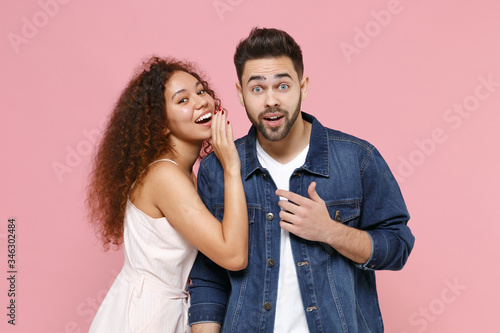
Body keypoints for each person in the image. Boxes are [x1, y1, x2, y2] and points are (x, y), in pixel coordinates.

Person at [188, 28, 415, 333]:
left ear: (303, 86)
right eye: (257, 89)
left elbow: (398, 246)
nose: (271, 101)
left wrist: (331, 231)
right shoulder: (218, 169)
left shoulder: (357, 159)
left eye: (282, 85)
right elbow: (207, 276)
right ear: (240, 93)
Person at [87, 56, 248, 333]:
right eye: (182, 100)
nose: (200, 101)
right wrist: (232, 166)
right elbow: (233, 256)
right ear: (161, 123)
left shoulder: (182, 172)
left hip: (162, 309)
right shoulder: (165, 177)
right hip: (145, 316)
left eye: (200, 91)